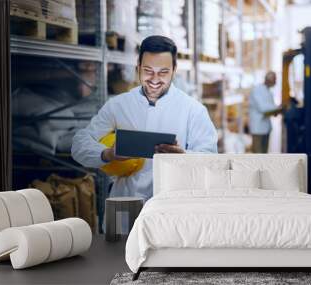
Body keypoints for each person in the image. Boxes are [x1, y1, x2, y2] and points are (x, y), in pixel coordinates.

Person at [72, 35, 218, 201]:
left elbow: (211, 160)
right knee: (122, 228)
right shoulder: (119, 105)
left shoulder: (193, 110)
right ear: (138, 68)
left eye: (163, 72)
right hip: (126, 201)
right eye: (148, 71)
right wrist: (108, 154)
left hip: (173, 204)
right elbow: (79, 144)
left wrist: (183, 157)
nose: (155, 80)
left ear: (174, 70)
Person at [248, 71, 282, 153]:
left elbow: (271, 109)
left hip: (266, 128)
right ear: (269, 79)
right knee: (258, 155)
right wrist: (278, 108)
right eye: (274, 79)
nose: (275, 82)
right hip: (258, 128)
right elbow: (263, 108)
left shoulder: (269, 91)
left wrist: (277, 110)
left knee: (264, 154)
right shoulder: (257, 90)